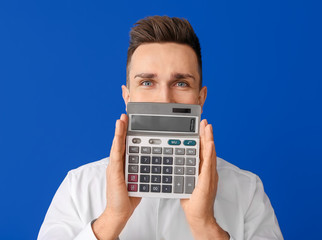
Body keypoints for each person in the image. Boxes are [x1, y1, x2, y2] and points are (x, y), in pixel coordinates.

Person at [38, 16, 283, 240]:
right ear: (128, 97)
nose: (165, 99)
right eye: (147, 82)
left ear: (200, 98)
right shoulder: (78, 187)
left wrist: (205, 225)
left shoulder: (247, 191)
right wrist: (112, 218)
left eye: (181, 83)